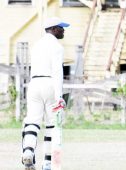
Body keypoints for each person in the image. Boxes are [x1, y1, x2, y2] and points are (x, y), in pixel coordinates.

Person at [21, 17, 69, 170]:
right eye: (61, 27)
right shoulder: (57, 46)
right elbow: (57, 72)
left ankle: (28, 151)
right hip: (50, 84)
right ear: (54, 29)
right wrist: (59, 96)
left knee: (32, 121)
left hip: (34, 83)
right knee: (51, 124)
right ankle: (47, 162)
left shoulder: (36, 45)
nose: (64, 30)